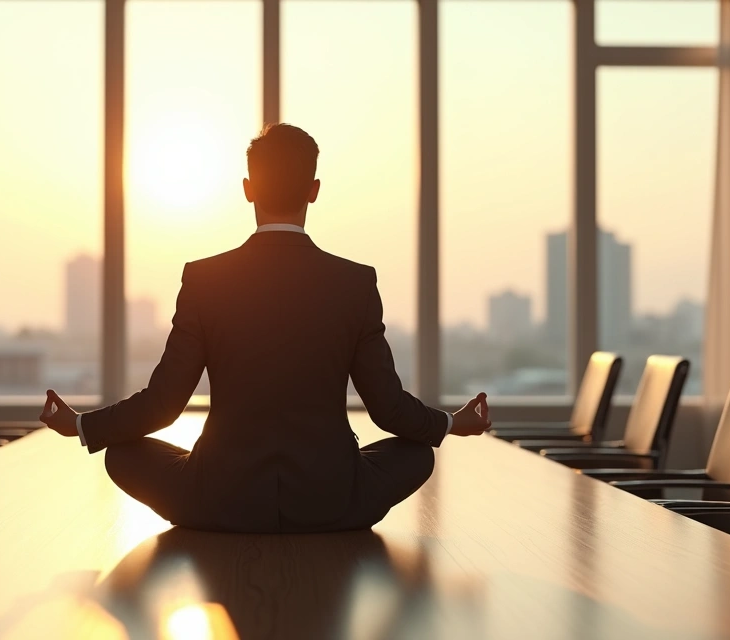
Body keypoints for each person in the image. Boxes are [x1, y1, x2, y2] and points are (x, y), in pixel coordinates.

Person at [40, 123, 492, 533]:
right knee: (417, 453)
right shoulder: (354, 282)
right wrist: (453, 422)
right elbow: (388, 409)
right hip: (331, 500)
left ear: (248, 189)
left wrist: (82, 425)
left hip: (221, 499)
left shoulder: (204, 279)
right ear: (314, 190)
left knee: (121, 454)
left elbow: (163, 404)